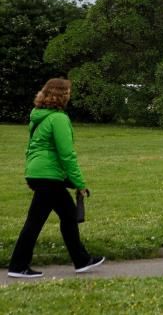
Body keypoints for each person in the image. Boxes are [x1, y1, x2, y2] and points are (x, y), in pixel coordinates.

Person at [7, 78, 105, 278]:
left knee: (67, 215)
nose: (70, 95)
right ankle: (18, 266)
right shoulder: (58, 119)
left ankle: (81, 260)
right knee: (37, 221)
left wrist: (31, 174)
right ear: (62, 95)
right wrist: (79, 183)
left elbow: (34, 147)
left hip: (38, 173)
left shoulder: (38, 116)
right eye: (68, 92)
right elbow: (67, 154)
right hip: (49, 176)